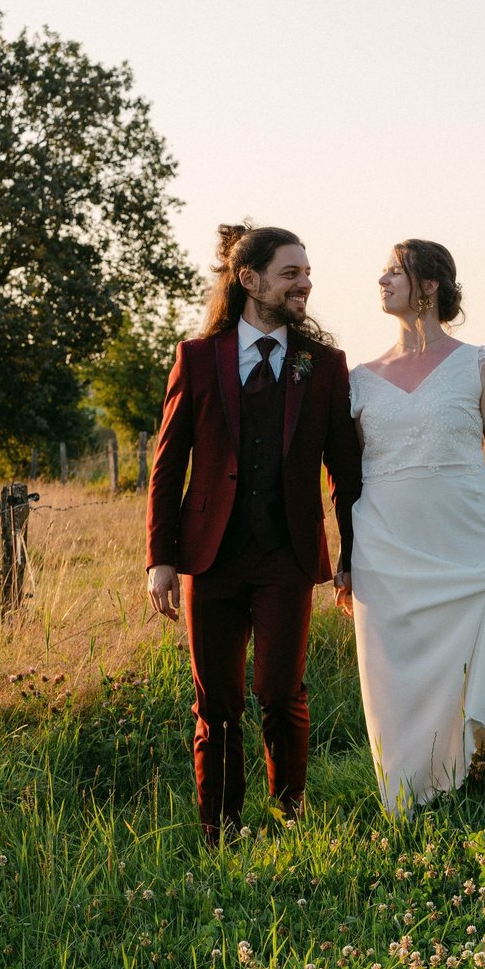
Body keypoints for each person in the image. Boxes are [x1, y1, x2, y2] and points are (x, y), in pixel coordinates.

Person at [145, 224, 362, 846]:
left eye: (306, 272)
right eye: (291, 273)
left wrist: (350, 556)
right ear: (249, 280)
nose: (305, 283)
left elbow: (346, 475)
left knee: (278, 690)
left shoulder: (321, 366)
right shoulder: (198, 358)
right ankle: (220, 830)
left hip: (288, 557)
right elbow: (167, 466)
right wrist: (161, 558)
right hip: (209, 558)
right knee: (215, 704)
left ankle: (287, 820)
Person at [339, 238, 485, 814]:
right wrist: (342, 559)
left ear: (430, 285)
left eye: (395, 272)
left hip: (468, 539)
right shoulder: (360, 379)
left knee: (481, 648)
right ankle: (410, 791)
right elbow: (349, 480)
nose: (382, 281)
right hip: (385, 546)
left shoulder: (479, 365)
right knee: (393, 669)